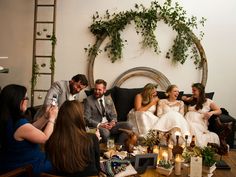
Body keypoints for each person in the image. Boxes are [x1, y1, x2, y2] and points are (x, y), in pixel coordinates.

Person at [0, 84, 58, 176]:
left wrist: (46, 117)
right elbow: (44, 138)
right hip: (25, 167)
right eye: (26, 97)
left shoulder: (8, 118)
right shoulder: (20, 124)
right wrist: (52, 119)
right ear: (17, 100)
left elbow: (31, 129)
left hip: (9, 162)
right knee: (59, 161)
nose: (27, 100)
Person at [45, 100, 100, 176]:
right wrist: (94, 140)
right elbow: (97, 169)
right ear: (79, 118)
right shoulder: (92, 139)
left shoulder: (51, 141)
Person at [84, 79, 132, 144]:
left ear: (104, 90)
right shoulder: (88, 100)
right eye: (95, 89)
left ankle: (118, 146)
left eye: (99, 90)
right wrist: (101, 125)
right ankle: (109, 149)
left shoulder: (108, 99)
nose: (96, 91)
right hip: (97, 126)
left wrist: (113, 122)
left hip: (109, 125)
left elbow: (114, 114)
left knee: (129, 125)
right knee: (105, 133)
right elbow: (86, 118)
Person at [182, 83, 221, 147]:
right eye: (192, 90)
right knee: (185, 127)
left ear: (200, 91)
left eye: (194, 90)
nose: (192, 92)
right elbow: (183, 98)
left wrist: (211, 113)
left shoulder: (208, 101)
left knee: (193, 126)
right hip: (187, 120)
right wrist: (184, 98)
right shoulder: (192, 99)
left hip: (199, 122)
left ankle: (194, 146)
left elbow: (219, 111)